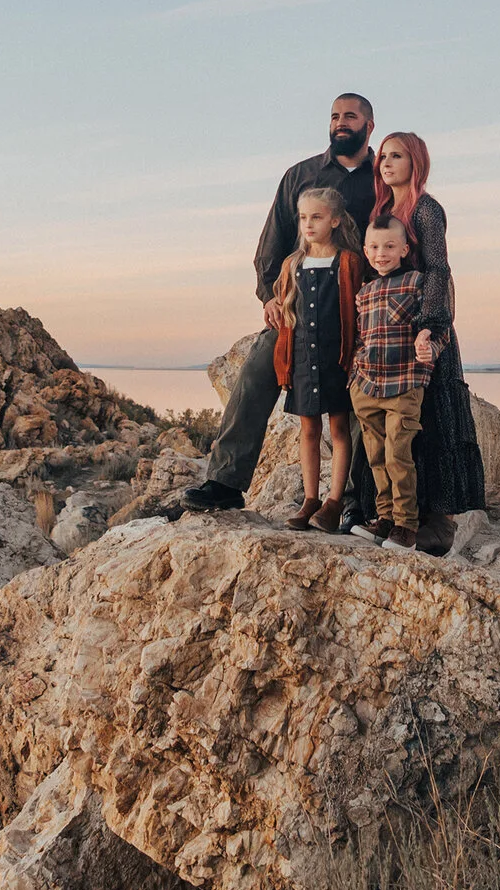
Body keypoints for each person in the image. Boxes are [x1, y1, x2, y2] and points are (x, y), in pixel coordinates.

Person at [184, 94, 378, 513]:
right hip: (299, 309)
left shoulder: (382, 178)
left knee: (362, 400)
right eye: (334, 116)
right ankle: (225, 482)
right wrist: (272, 298)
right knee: (256, 371)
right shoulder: (301, 176)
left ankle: (359, 499)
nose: (340, 123)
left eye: (350, 116)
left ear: (369, 125)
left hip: (358, 313)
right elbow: (269, 249)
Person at [371, 130, 484, 548]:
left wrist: (431, 325)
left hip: (424, 329)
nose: (386, 163)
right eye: (382, 156)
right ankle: (400, 516)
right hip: (392, 331)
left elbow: (439, 269)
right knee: (398, 428)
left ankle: (441, 521)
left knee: (434, 420)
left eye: (396, 156)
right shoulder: (383, 210)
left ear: (415, 161)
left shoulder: (427, 210)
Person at [270, 187, 363, 531]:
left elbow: (357, 314)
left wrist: (355, 359)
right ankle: (311, 499)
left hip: (336, 360)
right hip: (302, 359)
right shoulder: (292, 264)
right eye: (303, 217)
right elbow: (284, 316)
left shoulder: (349, 262)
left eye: (317, 217)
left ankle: (334, 502)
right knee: (308, 429)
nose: (308, 224)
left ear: (335, 221)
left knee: (339, 429)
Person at [349, 213, 440, 549]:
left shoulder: (417, 283)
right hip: (367, 385)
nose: (381, 252)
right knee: (374, 455)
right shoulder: (365, 291)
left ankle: (406, 526)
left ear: (404, 248)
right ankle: (385, 518)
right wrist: (355, 378)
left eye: (389, 245)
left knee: (398, 454)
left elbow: (435, 328)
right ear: (365, 250)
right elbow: (362, 337)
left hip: (403, 384)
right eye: (374, 246)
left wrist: (427, 345)